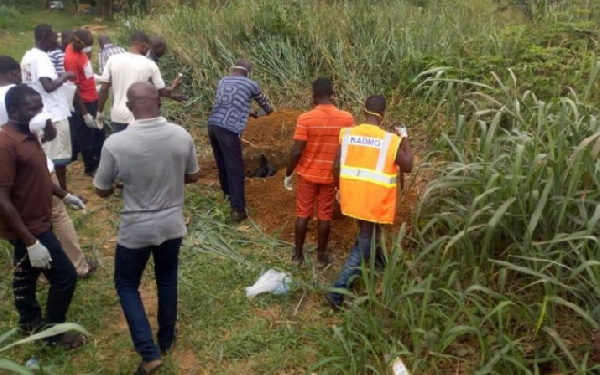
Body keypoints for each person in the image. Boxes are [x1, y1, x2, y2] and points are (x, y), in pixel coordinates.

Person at [94, 82, 199, 373]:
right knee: (167, 279)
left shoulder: (115, 143)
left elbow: (101, 189)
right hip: (171, 225)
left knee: (127, 285)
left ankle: (148, 352)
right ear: (160, 103)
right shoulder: (181, 135)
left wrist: (121, 183)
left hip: (135, 230)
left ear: (128, 108)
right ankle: (165, 338)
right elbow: (193, 176)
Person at [0, 85, 86, 348]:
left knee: (25, 272)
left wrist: (63, 194)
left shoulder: (29, 135)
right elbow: (1, 197)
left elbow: (37, 176)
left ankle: (29, 321)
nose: (39, 113)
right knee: (65, 276)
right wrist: (30, 241)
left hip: (38, 219)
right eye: (32, 109)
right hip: (29, 226)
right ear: (13, 111)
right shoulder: (6, 145)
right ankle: (54, 334)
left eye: (40, 107)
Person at [0, 56, 95, 278]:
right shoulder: (23, 97)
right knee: (57, 214)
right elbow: (49, 131)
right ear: (14, 73)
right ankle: (77, 265)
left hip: (6, 168)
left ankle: (40, 272)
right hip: (35, 167)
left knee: (21, 216)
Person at [326, 95, 413, 310]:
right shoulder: (389, 140)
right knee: (364, 242)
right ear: (382, 116)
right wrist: (404, 137)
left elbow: (336, 165)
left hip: (352, 197)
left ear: (363, 111)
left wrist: (338, 189)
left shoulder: (347, 134)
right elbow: (408, 165)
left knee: (371, 234)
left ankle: (380, 263)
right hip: (373, 201)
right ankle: (336, 293)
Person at [284, 78, 354, 267]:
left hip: (307, 175)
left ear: (314, 95)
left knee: (303, 214)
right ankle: (321, 258)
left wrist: (288, 173)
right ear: (332, 94)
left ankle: (297, 256)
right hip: (331, 176)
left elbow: (297, 150)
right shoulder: (347, 119)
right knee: (325, 215)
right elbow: (347, 150)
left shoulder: (305, 119)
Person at [207, 59, 273, 222]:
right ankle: (238, 209)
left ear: (233, 70)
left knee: (222, 162)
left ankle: (228, 195)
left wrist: (246, 111)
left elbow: (227, 103)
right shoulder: (252, 85)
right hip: (229, 129)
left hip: (213, 125)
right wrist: (263, 113)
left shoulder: (223, 80)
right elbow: (267, 107)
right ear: (248, 72)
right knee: (235, 167)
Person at [21, 24, 76, 192]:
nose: (56, 41)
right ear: (44, 38)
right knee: (57, 158)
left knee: (46, 155)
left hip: (41, 113)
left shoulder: (28, 57)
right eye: (54, 37)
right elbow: (48, 86)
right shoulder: (42, 58)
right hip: (54, 114)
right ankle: (62, 193)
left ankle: (47, 190)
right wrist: (65, 75)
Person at [97, 31, 186, 133]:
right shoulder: (150, 64)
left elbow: (104, 89)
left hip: (118, 115)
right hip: (140, 115)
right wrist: (173, 87)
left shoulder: (112, 60)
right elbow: (161, 92)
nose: (149, 49)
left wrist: (100, 112)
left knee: (123, 146)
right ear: (143, 45)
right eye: (148, 46)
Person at [64, 28, 105, 176]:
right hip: (84, 102)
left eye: (90, 45)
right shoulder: (71, 59)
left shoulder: (79, 51)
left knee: (99, 132)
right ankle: (90, 166)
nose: (88, 48)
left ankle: (100, 161)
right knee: (87, 136)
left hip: (93, 96)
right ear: (76, 40)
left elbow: (85, 74)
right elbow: (73, 88)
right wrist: (85, 114)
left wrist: (98, 80)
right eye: (87, 45)